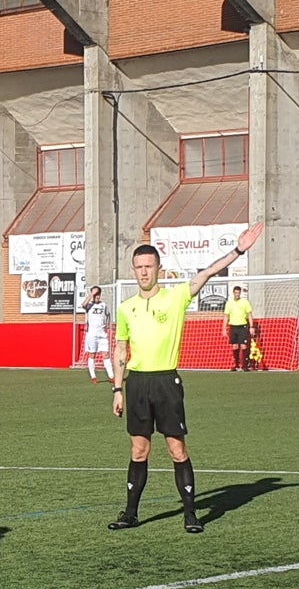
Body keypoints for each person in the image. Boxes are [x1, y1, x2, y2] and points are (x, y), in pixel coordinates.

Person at [109, 222, 264, 534]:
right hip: (136, 383)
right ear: (133, 270)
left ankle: (191, 514)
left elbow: (205, 273)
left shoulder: (176, 297)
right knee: (139, 450)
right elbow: (121, 349)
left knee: (176, 449)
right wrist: (117, 388)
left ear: (158, 268)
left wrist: (237, 250)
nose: (143, 272)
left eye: (148, 266)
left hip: (166, 383)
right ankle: (130, 513)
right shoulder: (126, 308)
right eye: (138, 267)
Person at [80, 285, 114, 384]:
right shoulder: (89, 305)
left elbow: (108, 315)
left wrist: (106, 326)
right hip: (92, 335)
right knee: (92, 354)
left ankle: (111, 376)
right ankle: (93, 376)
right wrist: (91, 294)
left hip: (102, 334)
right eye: (96, 295)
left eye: (98, 294)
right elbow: (83, 305)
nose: (97, 297)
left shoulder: (103, 305)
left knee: (106, 355)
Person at [222, 285, 254, 371]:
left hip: (242, 326)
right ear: (233, 293)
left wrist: (251, 326)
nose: (237, 294)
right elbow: (226, 316)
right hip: (233, 326)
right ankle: (236, 365)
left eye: (239, 293)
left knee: (243, 346)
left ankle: (244, 365)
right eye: (236, 293)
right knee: (235, 346)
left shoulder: (245, 302)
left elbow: (249, 314)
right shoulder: (229, 303)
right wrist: (224, 328)